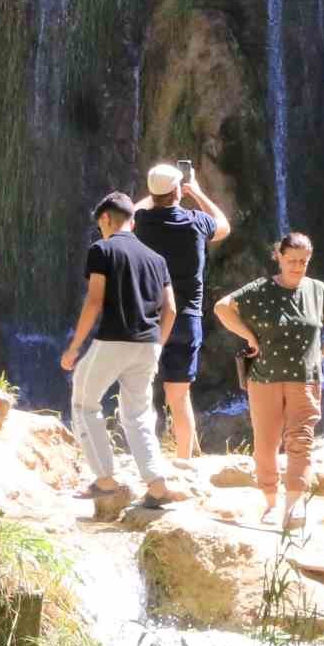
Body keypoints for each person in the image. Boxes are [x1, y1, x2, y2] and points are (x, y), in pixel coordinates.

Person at [213, 232, 324, 530]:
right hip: (264, 377)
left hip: (305, 378)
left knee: (301, 440)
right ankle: (270, 502)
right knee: (265, 444)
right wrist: (249, 336)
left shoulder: (317, 290)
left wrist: (323, 353)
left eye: (303, 261)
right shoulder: (260, 289)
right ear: (278, 256)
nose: (298, 267)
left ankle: (294, 505)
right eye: (292, 261)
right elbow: (222, 308)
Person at [60, 191, 187, 509]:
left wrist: (74, 347)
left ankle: (105, 481)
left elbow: (94, 301)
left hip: (113, 341)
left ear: (105, 219)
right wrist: (158, 344)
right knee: (139, 414)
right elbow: (170, 308)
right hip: (147, 345)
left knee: (84, 405)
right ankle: (157, 487)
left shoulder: (101, 249)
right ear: (132, 219)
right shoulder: (157, 259)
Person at [133, 162, 230, 460]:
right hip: (187, 319)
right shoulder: (196, 222)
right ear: (178, 190)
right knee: (179, 397)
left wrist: (154, 195)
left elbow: (127, 216)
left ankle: (145, 459)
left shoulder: (143, 222)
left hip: (149, 319)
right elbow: (224, 226)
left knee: (140, 394)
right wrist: (197, 193)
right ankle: (184, 461)